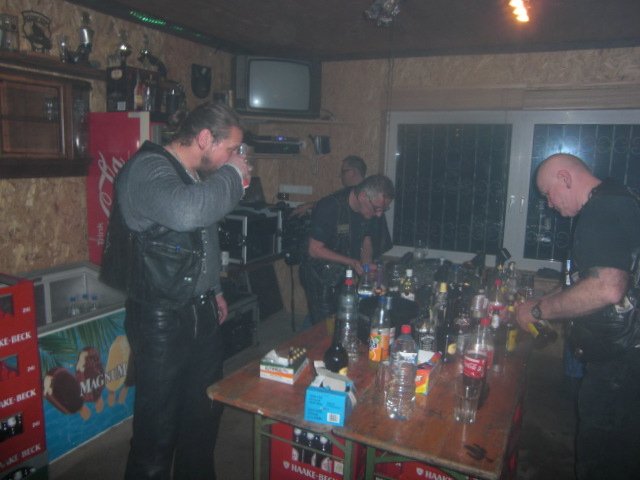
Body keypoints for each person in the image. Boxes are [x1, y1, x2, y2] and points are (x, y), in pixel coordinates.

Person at [101, 102, 251, 479]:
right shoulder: (148, 169)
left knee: (203, 418)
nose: (235, 156)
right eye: (231, 148)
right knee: (158, 432)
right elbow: (188, 213)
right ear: (204, 138)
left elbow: (204, 235)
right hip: (160, 318)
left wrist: (214, 288)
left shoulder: (193, 172)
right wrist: (234, 173)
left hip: (200, 309)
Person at [515, 153, 640, 479]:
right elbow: (589, 282)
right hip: (625, 364)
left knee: (602, 465)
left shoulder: (601, 210)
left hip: (620, 369)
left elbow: (606, 288)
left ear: (565, 178)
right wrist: (543, 300)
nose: (549, 204)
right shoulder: (619, 200)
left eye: (548, 194)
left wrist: (539, 310)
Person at [300, 174, 395, 324]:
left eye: (384, 209)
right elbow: (314, 249)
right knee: (325, 324)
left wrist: (366, 269)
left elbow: (367, 241)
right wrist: (352, 262)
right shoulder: (330, 206)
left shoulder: (369, 209)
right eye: (377, 208)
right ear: (363, 196)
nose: (379, 214)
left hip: (345, 274)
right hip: (320, 275)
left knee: (347, 318)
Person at [293, 155, 392, 258]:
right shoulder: (338, 202)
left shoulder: (373, 207)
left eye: (343, 171)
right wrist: (312, 205)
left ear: (352, 172)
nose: (340, 176)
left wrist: (363, 266)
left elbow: (371, 246)